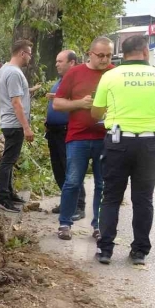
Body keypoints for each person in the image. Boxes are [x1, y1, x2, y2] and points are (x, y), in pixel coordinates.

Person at [90, 35, 155, 265]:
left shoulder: (110, 76)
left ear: (122, 53)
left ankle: (105, 250)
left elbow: (96, 113)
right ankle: (139, 251)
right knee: (143, 199)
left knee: (110, 197)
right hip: (151, 145)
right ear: (145, 52)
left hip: (118, 143)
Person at [52, 36, 116, 241]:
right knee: (72, 181)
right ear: (90, 54)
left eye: (108, 55)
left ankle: (98, 226)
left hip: (106, 137)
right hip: (78, 137)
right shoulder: (75, 73)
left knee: (102, 185)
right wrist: (80, 103)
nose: (105, 59)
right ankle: (65, 223)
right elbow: (58, 104)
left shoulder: (115, 73)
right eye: (100, 55)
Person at [0, 40, 39, 213]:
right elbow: (16, 102)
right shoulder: (14, 73)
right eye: (29, 53)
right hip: (13, 123)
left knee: (10, 160)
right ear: (22, 53)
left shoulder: (5, 69)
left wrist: (31, 89)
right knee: (8, 161)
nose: (30, 57)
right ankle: (2, 198)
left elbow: (15, 93)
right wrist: (26, 127)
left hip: (9, 122)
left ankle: (9, 193)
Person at [45, 50, 86, 219]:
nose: (57, 64)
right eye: (56, 61)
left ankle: (78, 205)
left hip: (67, 131)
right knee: (59, 169)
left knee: (72, 170)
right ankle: (67, 201)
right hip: (54, 132)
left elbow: (83, 102)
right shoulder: (61, 80)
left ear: (72, 63)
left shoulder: (78, 81)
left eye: (60, 61)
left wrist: (60, 97)